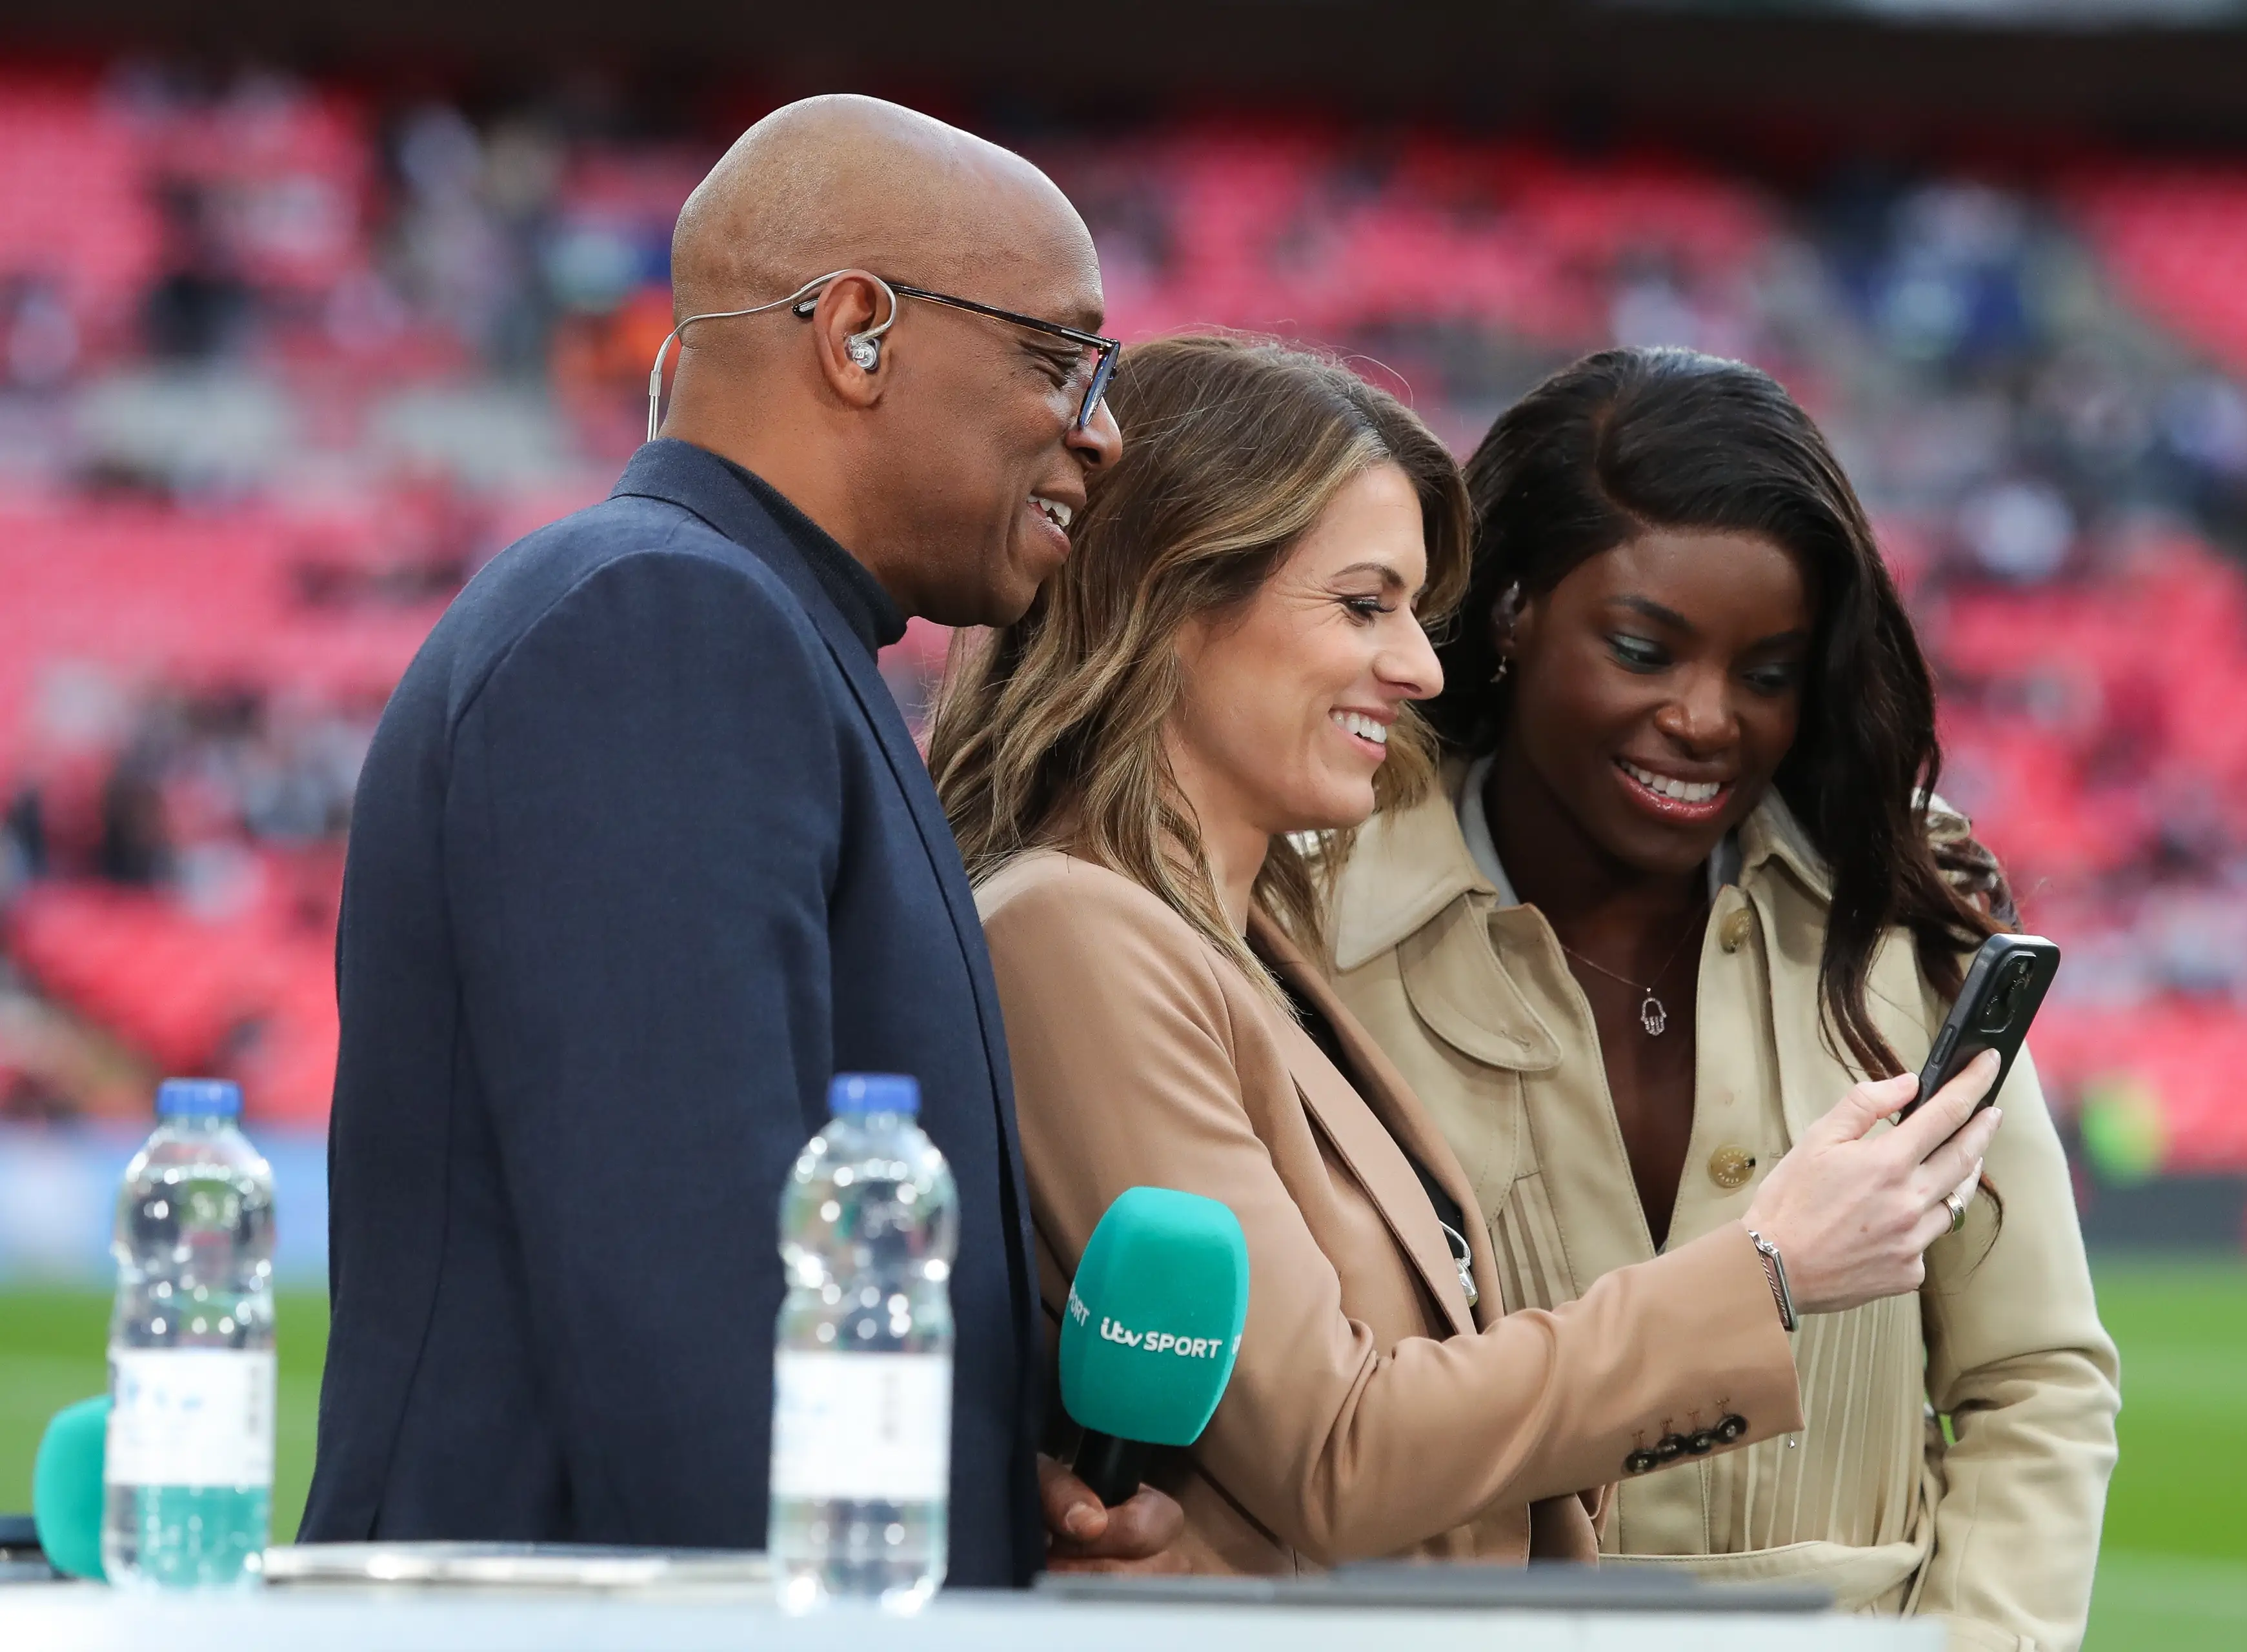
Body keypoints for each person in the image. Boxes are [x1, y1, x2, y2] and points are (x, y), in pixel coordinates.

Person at [927, 335, 2004, 1571]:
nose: (1420, 666)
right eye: (1364, 604)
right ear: (1173, 598)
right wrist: (1770, 1271)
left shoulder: (1237, 939)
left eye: (1418, 613)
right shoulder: (1078, 929)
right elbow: (1341, 1457)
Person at [301, 96, 1180, 1582]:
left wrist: (974, 1476)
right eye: (1059, 360)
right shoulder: (663, 622)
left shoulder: (755, 625)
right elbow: (690, 1306)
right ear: (857, 333)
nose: (1102, 433)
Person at [1327, 347, 2119, 1646]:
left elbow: (2036, 1372)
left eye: (1768, 673)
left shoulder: (1905, 908)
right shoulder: (1311, 918)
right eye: (1644, 648)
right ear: (1514, 610)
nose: (1708, 720)